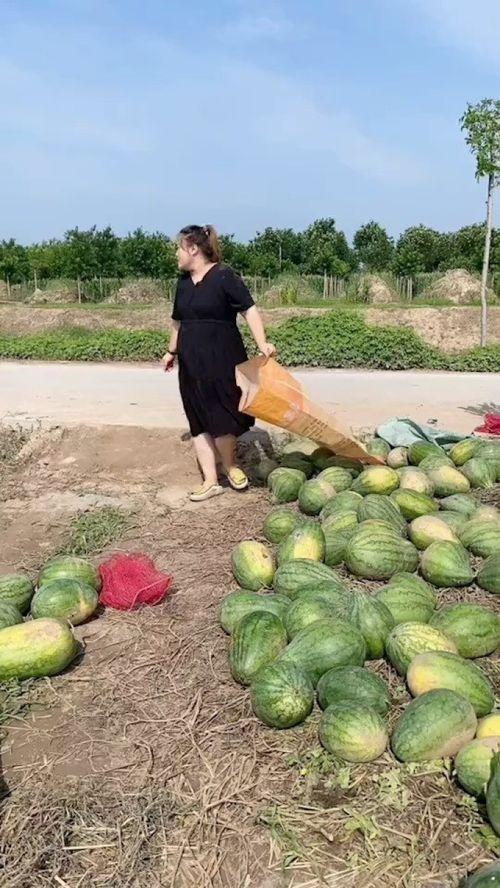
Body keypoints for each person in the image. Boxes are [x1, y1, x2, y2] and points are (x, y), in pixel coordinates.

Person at [163, 225, 276, 502]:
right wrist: (171, 351)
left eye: (179, 248)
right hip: (191, 362)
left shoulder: (224, 276)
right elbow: (177, 321)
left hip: (224, 358)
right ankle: (211, 481)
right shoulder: (182, 283)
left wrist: (262, 343)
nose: (176, 254)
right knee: (198, 419)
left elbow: (249, 309)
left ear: (193, 249)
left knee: (224, 415)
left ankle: (230, 465)